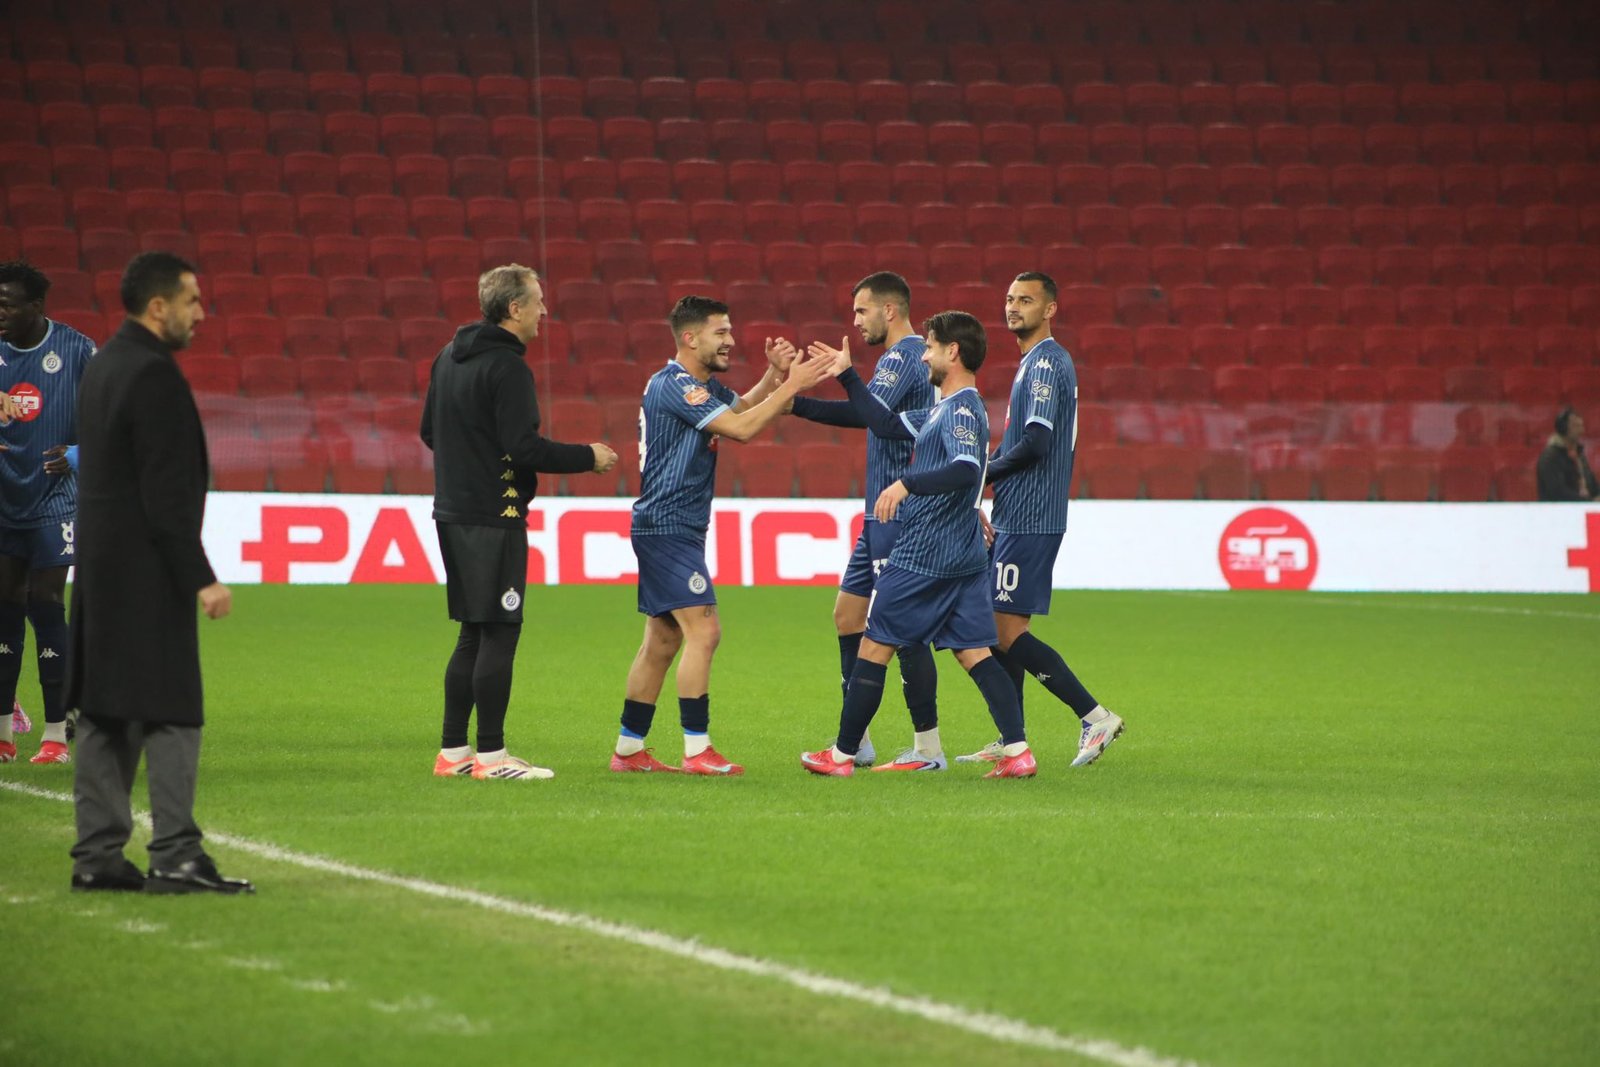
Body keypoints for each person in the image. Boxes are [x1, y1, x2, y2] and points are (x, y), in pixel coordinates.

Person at [66, 251, 251, 894]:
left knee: (105, 710)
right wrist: (201, 576)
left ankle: (97, 857)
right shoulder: (153, 375)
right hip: (146, 575)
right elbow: (165, 495)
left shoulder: (105, 365)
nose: (201, 313)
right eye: (192, 300)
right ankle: (176, 853)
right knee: (172, 709)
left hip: (100, 573)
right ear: (158, 306)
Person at [800, 311, 1035, 779]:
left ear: (953, 351)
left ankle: (842, 756)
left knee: (874, 646)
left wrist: (906, 483)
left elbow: (968, 469)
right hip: (964, 555)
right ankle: (1018, 752)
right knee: (975, 653)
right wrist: (841, 379)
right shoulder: (942, 409)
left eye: (930, 347)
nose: (923, 356)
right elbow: (883, 423)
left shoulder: (961, 409)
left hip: (925, 552)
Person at [612, 295, 834, 775]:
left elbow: (743, 407)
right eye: (721, 332)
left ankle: (628, 750)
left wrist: (773, 377)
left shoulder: (697, 387)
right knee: (705, 631)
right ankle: (697, 750)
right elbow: (742, 428)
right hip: (669, 527)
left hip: (674, 527)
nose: (731, 340)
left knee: (662, 640)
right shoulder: (676, 385)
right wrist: (793, 384)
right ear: (690, 338)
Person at [421, 265, 618, 781]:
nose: (543, 311)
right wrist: (588, 456)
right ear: (514, 309)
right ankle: (492, 758)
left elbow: (429, 433)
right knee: (500, 632)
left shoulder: (447, 355)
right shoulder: (507, 367)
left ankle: (453, 753)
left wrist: (469, 462)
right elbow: (524, 447)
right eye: (538, 302)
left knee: (473, 632)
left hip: (452, 513)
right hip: (495, 517)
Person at [959, 273, 1125, 769]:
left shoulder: (1047, 364)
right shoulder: (1032, 362)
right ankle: (1011, 737)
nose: (1014, 307)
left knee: (1003, 629)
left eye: (1026, 300)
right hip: (1016, 512)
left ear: (1050, 309)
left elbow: (1035, 442)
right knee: (999, 624)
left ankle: (1094, 716)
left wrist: (981, 472)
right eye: (1010, 299)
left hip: (1032, 515)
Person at [787, 272, 943, 771]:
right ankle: (859, 740)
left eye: (861, 311)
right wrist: (795, 402)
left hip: (900, 513)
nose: (855, 321)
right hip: (878, 513)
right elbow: (867, 413)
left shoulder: (903, 356)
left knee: (905, 630)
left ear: (889, 310)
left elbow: (867, 416)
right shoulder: (901, 359)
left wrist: (800, 401)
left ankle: (927, 749)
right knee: (848, 616)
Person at [0, 261, 95, 766]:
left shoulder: (77, 350)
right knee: (5, 606)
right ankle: (3, 733)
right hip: (4, 497)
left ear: (36, 306)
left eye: (7, 304)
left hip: (55, 499)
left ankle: (56, 733)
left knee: (46, 600)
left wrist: (78, 454)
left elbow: (115, 416)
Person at [1536, 407, 1598, 502]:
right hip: (1560, 509)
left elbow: (1592, 483)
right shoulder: (1550, 457)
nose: (1581, 431)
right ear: (1563, 428)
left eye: (1581, 426)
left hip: (1583, 506)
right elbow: (1557, 492)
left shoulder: (1579, 455)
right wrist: (1588, 501)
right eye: (1576, 426)